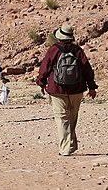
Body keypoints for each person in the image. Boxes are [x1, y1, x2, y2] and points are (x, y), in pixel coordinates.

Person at [36, 23, 98, 156]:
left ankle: (65, 149)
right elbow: (87, 70)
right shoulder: (77, 50)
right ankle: (71, 145)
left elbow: (44, 68)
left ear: (59, 37)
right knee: (72, 117)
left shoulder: (53, 50)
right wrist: (92, 87)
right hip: (77, 89)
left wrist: (41, 83)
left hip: (57, 89)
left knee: (61, 118)